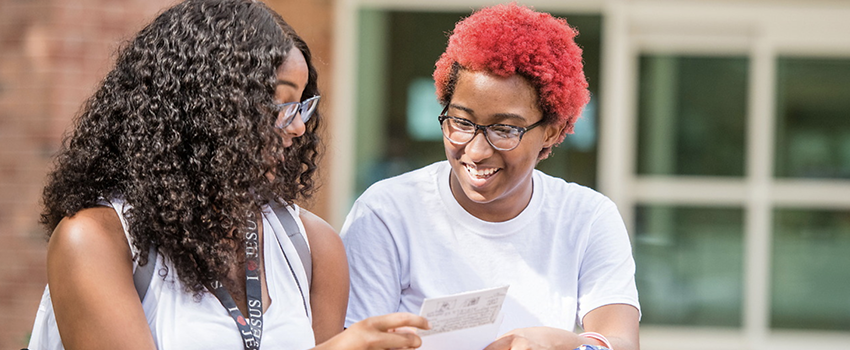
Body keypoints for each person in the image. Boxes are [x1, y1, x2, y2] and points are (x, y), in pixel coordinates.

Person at [29, 0, 428, 349]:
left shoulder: (314, 247)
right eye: (278, 104)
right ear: (207, 108)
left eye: (301, 106)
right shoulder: (96, 239)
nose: (298, 128)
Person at [341, 3, 639, 350]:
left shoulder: (586, 217)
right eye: (462, 122)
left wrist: (563, 345)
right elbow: (355, 341)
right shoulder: (388, 213)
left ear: (552, 133)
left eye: (504, 129)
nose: (477, 151)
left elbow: (619, 341)